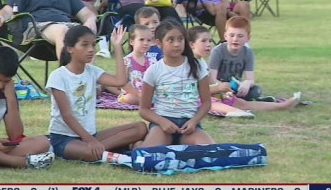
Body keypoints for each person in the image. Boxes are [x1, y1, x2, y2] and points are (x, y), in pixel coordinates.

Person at [46, 25, 147, 161]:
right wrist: (90, 141)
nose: (91, 50)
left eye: (93, 45)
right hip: (64, 138)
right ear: (70, 49)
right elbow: (67, 115)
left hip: (90, 135)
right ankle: (100, 151)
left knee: (140, 128)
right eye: (85, 45)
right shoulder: (58, 76)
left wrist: (117, 47)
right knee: (89, 153)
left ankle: (97, 149)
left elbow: (120, 80)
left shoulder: (92, 71)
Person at [133, 20, 214, 149]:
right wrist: (162, 122)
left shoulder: (197, 66)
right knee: (147, 155)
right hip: (162, 125)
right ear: (159, 43)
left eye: (180, 39)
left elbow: (206, 103)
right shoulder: (154, 71)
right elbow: (144, 109)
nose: (176, 44)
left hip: (189, 125)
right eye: (170, 40)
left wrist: (194, 121)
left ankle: (178, 143)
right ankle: (137, 144)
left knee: (210, 151)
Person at [188, 26, 300, 116]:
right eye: (203, 41)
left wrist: (221, 91)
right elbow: (192, 91)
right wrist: (218, 88)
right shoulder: (188, 64)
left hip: (208, 95)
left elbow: (207, 86)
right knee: (210, 104)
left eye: (209, 41)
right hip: (190, 101)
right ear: (192, 44)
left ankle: (282, 106)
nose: (208, 44)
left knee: (241, 102)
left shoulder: (201, 62)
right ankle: (236, 112)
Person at [209, 16, 270, 102]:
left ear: (248, 38)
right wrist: (223, 87)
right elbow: (212, 79)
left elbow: (251, 79)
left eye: (240, 36)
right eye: (231, 35)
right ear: (225, 36)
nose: (235, 39)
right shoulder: (217, 51)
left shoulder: (248, 53)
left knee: (255, 90)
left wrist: (247, 83)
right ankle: (245, 100)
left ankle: (248, 99)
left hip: (236, 86)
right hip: (219, 86)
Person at [116, 24, 155, 105]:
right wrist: (138, 93)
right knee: (129, 98)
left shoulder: (152, 61)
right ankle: (146, 102)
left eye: (148, 40)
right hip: (132, 94)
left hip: (149, 94)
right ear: (132, 42)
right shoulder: (127, 61)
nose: (145, 43)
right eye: (141, 39)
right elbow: (122, 84)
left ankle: (149, 101)